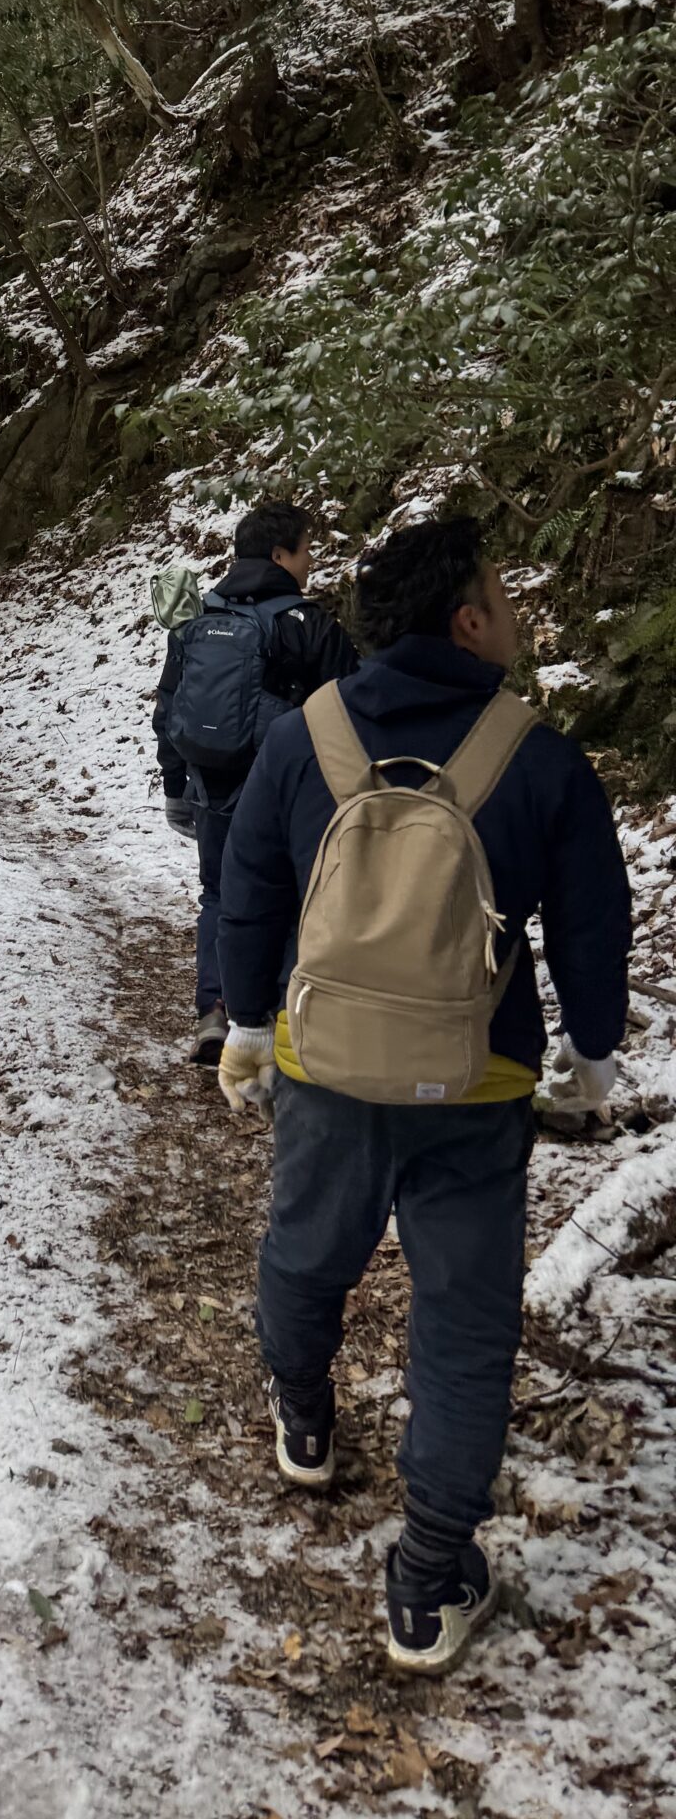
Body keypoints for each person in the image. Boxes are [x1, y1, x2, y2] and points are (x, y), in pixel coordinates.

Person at [215, 517, 631, 1674]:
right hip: (477, 1078)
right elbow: (593, 925)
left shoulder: (305, 738)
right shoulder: (538, 758)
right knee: (464, 1319)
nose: (515, 611)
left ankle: (304, 1417)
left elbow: (249, 888)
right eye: (503, 595)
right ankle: (430, 1576)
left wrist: (246, 1027)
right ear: (468, 620)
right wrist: (592, 1058)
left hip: (326, 1063)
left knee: (307, 1250)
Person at [153, 501, 359, 1064]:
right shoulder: (308, 624)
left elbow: (169, 704)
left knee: (220, 893)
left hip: (211, 784)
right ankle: (281, 1019)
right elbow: (351, 709)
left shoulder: (198, 616)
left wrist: (175, 784)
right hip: (287, 790)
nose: (310, 561)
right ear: (279, 555)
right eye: (305, 550)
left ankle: (215, 1010)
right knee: (292, 898)